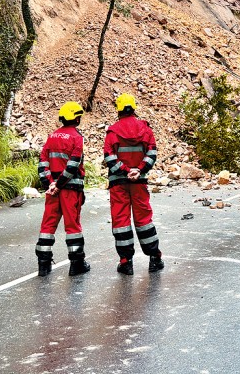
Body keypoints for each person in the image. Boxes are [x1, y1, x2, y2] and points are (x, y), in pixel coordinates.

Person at [103, 93, 164, 274]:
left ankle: (125, 262)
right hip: (139, 182)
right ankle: (154, 258)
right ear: (134, 108)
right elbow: (152, 153)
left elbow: (109, 157)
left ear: (119, 109)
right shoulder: (145, 129)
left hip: (118, 183)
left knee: (121, 221)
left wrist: (125, 170)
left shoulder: (112, 132)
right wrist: (139, 170)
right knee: (144, 219)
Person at [35, 101, 91, 277]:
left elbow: (42, 162)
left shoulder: (52, 136)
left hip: (53, 190)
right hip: (70, 189)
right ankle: (77, 264)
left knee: (47, 225)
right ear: (76, 118)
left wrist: (50, 184)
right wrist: (59, 185)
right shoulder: (77, 137)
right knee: (72, 226)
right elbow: (73, 165)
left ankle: (43, 265)